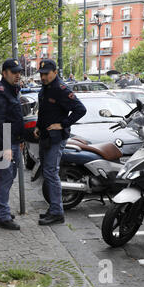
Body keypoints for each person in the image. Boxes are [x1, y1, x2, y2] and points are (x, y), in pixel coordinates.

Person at [33, 59, 86, 226]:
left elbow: (80, 109)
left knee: (50, 172)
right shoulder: (46, 87)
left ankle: (57, 212)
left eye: (46, 74)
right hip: (45, 136)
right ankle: (53, 208)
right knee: (47, 173)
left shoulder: (61, 89)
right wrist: (37, 126)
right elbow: (44, 111)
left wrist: (63, 124)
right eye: (41, 74)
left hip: (56, 138)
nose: (43, 77)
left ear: (55, 72)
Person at [0, 58, 25, 230]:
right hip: (1, 140)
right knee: (5, 177)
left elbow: (15, 118)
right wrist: (8, 146)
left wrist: (20, 139)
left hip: (12, 140)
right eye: (14, 72)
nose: (18, 75)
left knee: (7, 176)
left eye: (19, 72)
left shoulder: (11, 89)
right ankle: (3, 216)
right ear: (4, 73)